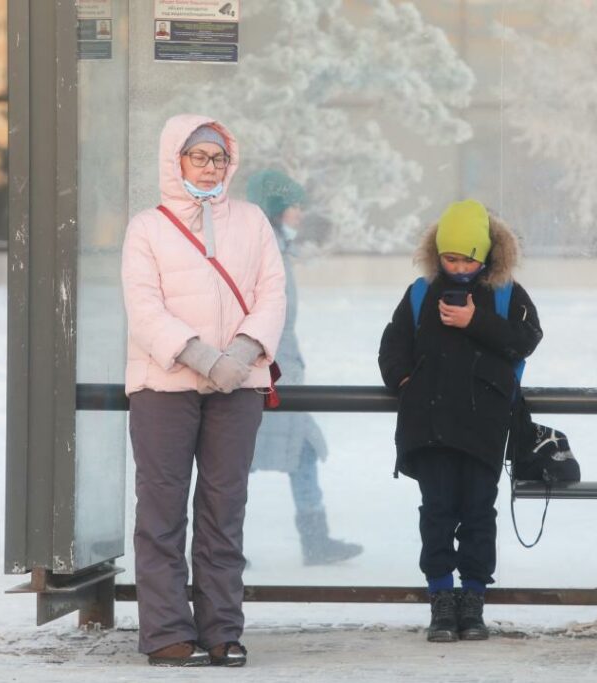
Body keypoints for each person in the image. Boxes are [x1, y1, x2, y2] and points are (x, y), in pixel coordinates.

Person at [121, 114, 286, 667]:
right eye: (199, 157)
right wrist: (200, 356)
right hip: (163, 385)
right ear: (177, 161)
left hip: (237, 384)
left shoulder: (252, 221)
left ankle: (221, 630)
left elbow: (272, 293)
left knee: (223, 507)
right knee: (161, 509)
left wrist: (240, 354)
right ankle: (166, 632)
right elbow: (143, 306)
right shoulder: (147, 227)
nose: (211, 167)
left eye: (219, 158)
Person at [378, 200, 543, 642]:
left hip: (484, 427)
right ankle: (440, 598)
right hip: (429, 425)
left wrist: (475, 321)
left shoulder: (506, 293)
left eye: (468, 259)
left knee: (478, 513)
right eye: (450, 258)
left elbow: (526, 339)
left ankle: (473, 599)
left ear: (486, 254)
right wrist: (405, 380)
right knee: (436, 512)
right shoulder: (420, 293)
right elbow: (393, 345)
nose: (459, 268)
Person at [246, 170, 363, 565]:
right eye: (294, 206)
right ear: (276, 209)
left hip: (279, 369)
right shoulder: (263, 254)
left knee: (296, 451)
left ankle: (313, 540)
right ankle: (224, 544)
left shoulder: (275, 249)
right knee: (241, 458)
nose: (299, 213)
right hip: (266, 372)